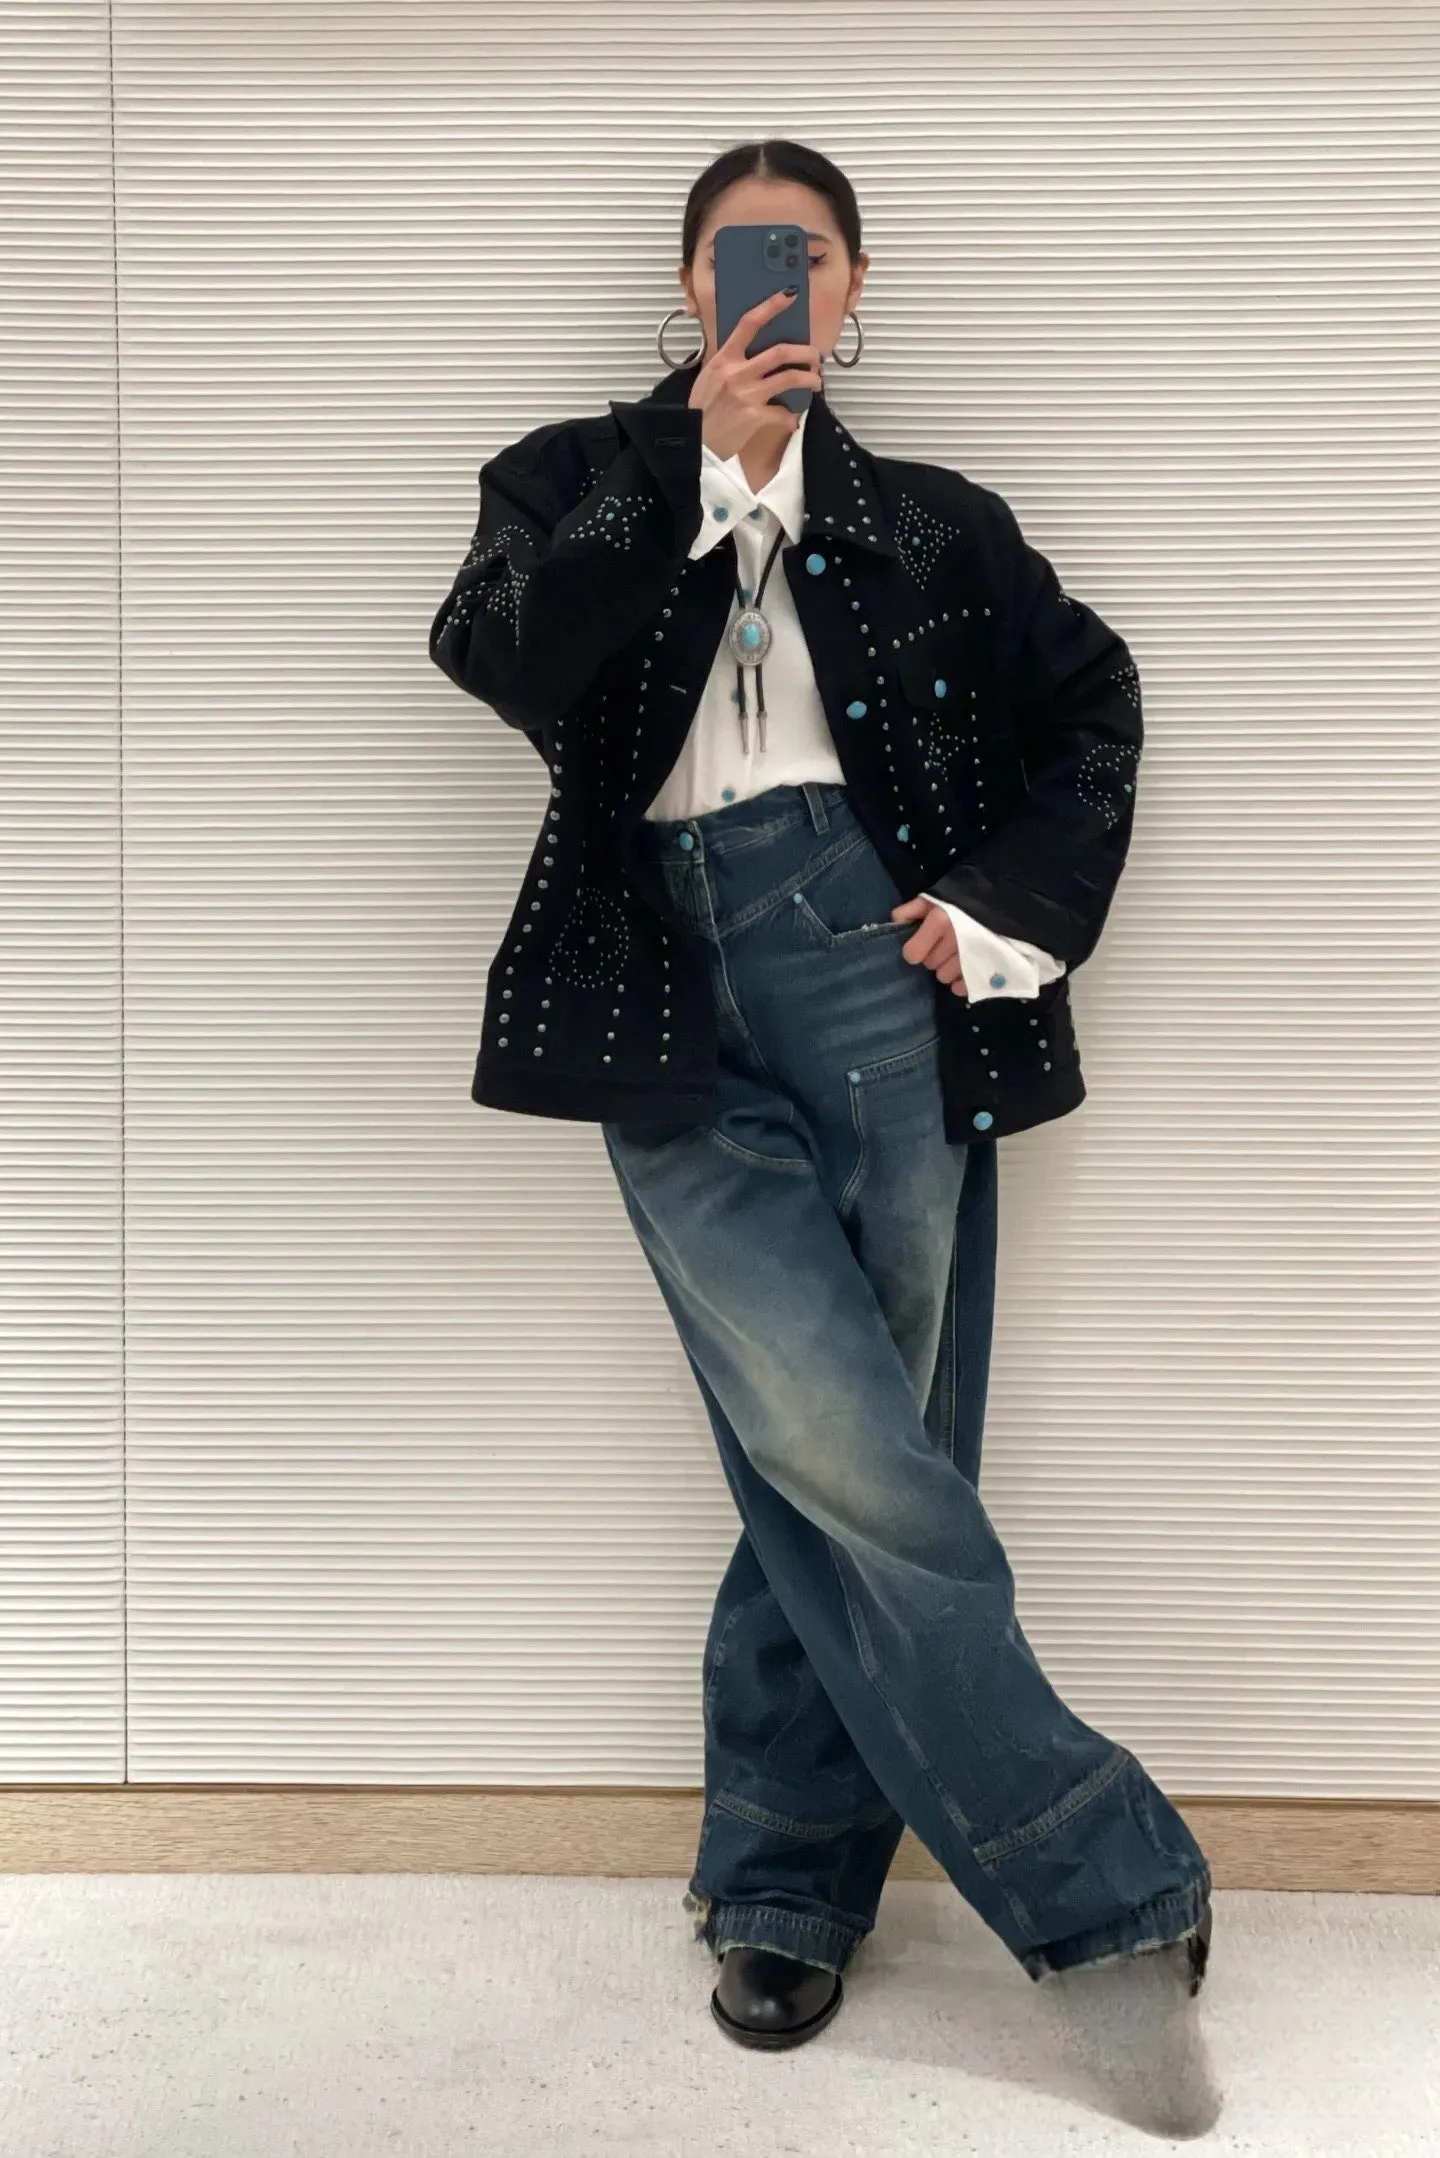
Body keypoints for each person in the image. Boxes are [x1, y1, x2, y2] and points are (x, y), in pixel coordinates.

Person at [429, 139, 1220, 2139]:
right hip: (659, 988)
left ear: (851, 293)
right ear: (693, 291)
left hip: (880, 978)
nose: (767, 286)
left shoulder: (938, 528)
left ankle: (785, 1878)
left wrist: (1002, 909)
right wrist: (690, 474)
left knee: (856, 1453)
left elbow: (1097, 709)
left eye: (801, 259)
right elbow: (498, 653)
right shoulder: (575, 480)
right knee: (835, 1440)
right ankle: (1106, 1872)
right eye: (732, 259)